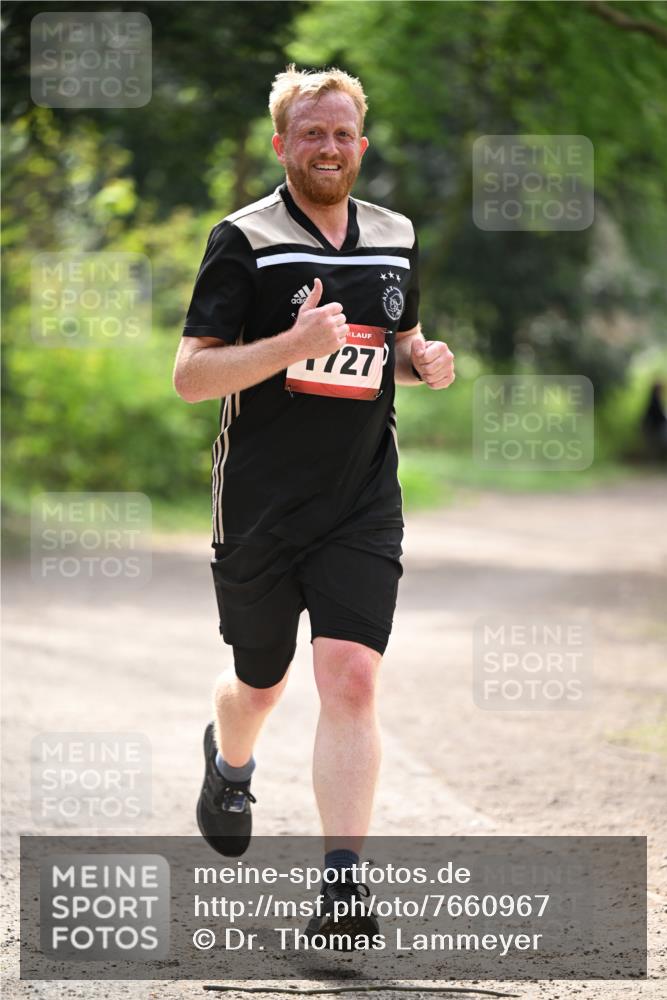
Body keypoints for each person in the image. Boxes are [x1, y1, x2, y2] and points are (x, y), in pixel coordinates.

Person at [173, 65, 455, 946]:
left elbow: (394, 345)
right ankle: (229, 760)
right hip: (258, 503)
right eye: (310, 134)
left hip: (360, 501)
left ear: (360, 145)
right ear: (281, 143)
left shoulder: (395, 236)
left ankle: (340, 886)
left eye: (341, 134)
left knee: (352, 676)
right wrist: (291, 343)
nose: (327, 148)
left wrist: (424, 361)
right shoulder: (244, 239)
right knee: (261, 681)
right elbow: (191, 375)